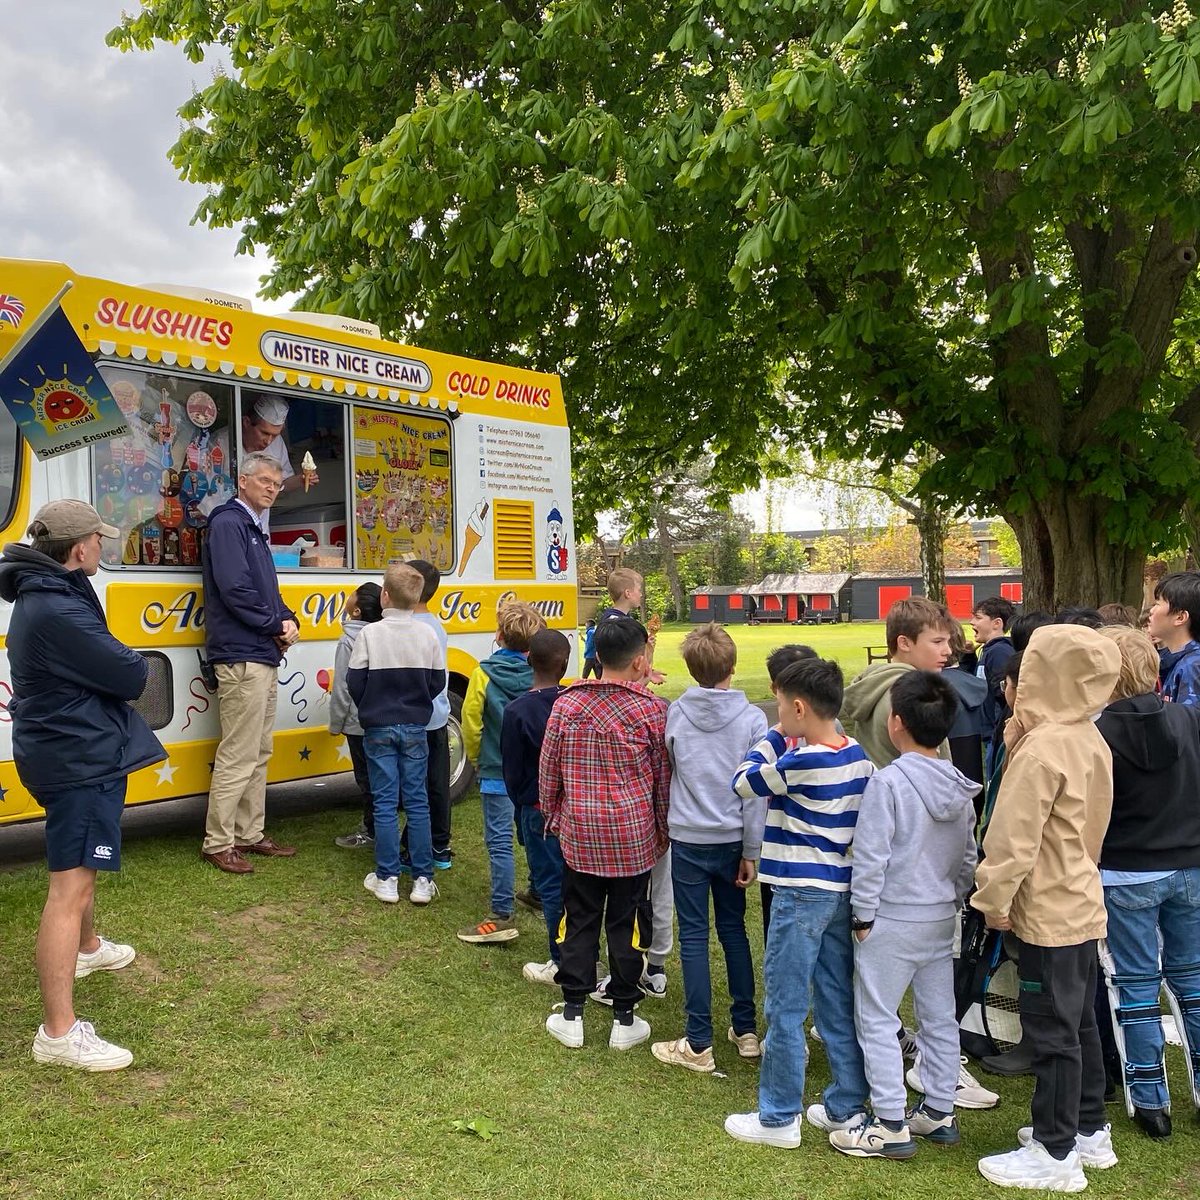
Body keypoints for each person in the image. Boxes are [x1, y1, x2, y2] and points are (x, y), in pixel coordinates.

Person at [0, 500, 165, 1071]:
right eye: (99, 538)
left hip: (70, 748)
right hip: (77, 757)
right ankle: (58, 1033)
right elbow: (129, 672)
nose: (104, 546)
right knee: (70, 887)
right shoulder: (57, 609)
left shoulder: (51, 593)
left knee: (83, 872)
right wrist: (122, 658)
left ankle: (88, 950)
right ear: (79, 550)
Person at [972, 625, 1121, 1193]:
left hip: (1049, 910)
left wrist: (992, 899)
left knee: (1052, 1031)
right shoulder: (1088, 736)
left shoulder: (1043, 749)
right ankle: (1086, 1129)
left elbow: (1012, 840)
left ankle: (1055, 1152)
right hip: (1081, 898)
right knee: (1079, 1022)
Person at [829, 671, 979, 1159]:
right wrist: (952, 899)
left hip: (891, 919)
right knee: (939, 1018)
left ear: (895, 724)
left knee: (875, 1017)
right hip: (939, 917)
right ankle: (938, 1110)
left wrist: (862, 914)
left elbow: (871, 855)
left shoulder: (887, 783)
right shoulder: (960, 787)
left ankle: (890, 1120)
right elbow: (968, 859)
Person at [725, 657, 873, 1149]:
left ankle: (778, 1116)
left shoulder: (800, 760)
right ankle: (846, 1104)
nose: (778, 713)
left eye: (782, 706)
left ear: (800, 706)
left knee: (786, 1004)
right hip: (839, 888)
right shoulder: (855, 755)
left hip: (798, 894)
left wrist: (772, 736)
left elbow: (743, 781)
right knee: (835, 997)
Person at [540, 617, 671, 1051]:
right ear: (640, 661)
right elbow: (661, 781)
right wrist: (662, 829)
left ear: (595, 656)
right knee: (627, 921)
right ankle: (624, 1015)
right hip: (633, 838)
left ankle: (573, 1011)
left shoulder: (566, 705)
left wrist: (553, 814)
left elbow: (549, 769)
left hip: (580, 834)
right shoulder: (652, 711)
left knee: (578, 918)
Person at [1094, 625, 1200, 1140]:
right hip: (1187, 865)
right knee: (1193, 981)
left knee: (1134, 987)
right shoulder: (1188, 718)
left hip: (1126, 871)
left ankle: (1151, 1100)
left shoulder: (1093, 734)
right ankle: (1158, 1098)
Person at [650, 623, 767, 1074]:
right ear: (732, 668)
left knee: (697, 936)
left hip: (691, 837)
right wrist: (751, 850)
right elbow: (755, 792)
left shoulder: (676, 713)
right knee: (732, 931)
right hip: (728, 838)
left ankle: (703, 1038)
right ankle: (744, 1028)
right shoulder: (751, 719)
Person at [201, 451, 300, 873]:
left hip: (259, 651)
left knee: (258, 750)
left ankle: (248, 833)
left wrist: (288, 616)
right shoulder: (228, 523)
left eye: (277, 484)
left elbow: (265, 589)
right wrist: (275, 623)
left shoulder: (252, 526)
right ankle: (218, 841)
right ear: (242, 481)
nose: (272, 489)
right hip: (242, 652)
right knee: (240, 752)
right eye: (264, 481)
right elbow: (235, 589)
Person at [348, 563, 446, 906]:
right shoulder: (428, 634)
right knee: (417, 802)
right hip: (416, 726)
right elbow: (438, 682)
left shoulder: (369, 634)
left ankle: (387, 877)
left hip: (378, 727)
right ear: (417, 598)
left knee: (385, 801)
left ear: (385, 595)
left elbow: (355, 682)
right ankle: (422, 879)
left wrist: (372, 705)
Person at [457, 601, 546, 943]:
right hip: (535, 775)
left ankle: (501, 913)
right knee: (534, 836)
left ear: (498, 635)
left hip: (496, 772)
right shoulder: (542, 674)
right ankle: (538, 893)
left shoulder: (482, 674)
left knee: (500, 844)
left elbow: (471, 722)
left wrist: (478, 758)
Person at [502, 628, 572, 985]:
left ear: (529, 659)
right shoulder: (574, 703)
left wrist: (523, 804)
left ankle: (562, 961)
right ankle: (580, 952)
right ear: (566, 663)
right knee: (574, 884)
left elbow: (512, 771)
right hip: (574, 806)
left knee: (550, 884)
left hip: (538, 808)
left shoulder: (517, 711)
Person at [841, 597, 954, 768]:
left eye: (948, 641)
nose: (948, 651)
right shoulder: (914, 696)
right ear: (904, 643)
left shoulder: (874, 684)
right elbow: (934, 775)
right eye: (937, 642)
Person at [756, 644, 819, 941]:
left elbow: (746, 781)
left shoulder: (776, 739)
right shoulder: (839, 737)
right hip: (790, 849)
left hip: (796, 849)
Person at [407, 560, 453, 871]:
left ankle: (413, 850)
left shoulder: (410, 627)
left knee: (415, 789)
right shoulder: (436, 624)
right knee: (437, 784)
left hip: (416, 718)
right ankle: (440, 846)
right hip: (438, 715)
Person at [331, 582, 384, 849]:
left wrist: (336, 722)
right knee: (381, 776)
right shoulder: (382, 634)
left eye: (351, 595)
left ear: (356, 611)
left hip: (356, 722)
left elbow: (342, 685)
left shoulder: (349, 639)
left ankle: (371, 829)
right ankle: (380, 826)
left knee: (365, 778)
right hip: (381, 719)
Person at [969, 596, 1016, 759]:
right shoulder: (988, 651)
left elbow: (1003, 695)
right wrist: (968, 658)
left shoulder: (999, 653)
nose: (971, 622)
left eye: (978, 618)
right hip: (990, 735)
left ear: (997, 623)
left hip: (997, 735)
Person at [1147, 571, 1200, 706]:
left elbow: (1187, 725)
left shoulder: (1192, 667)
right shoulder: (1178, 661)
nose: (1151, 611)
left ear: (1180, 617)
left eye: (1158, 603)